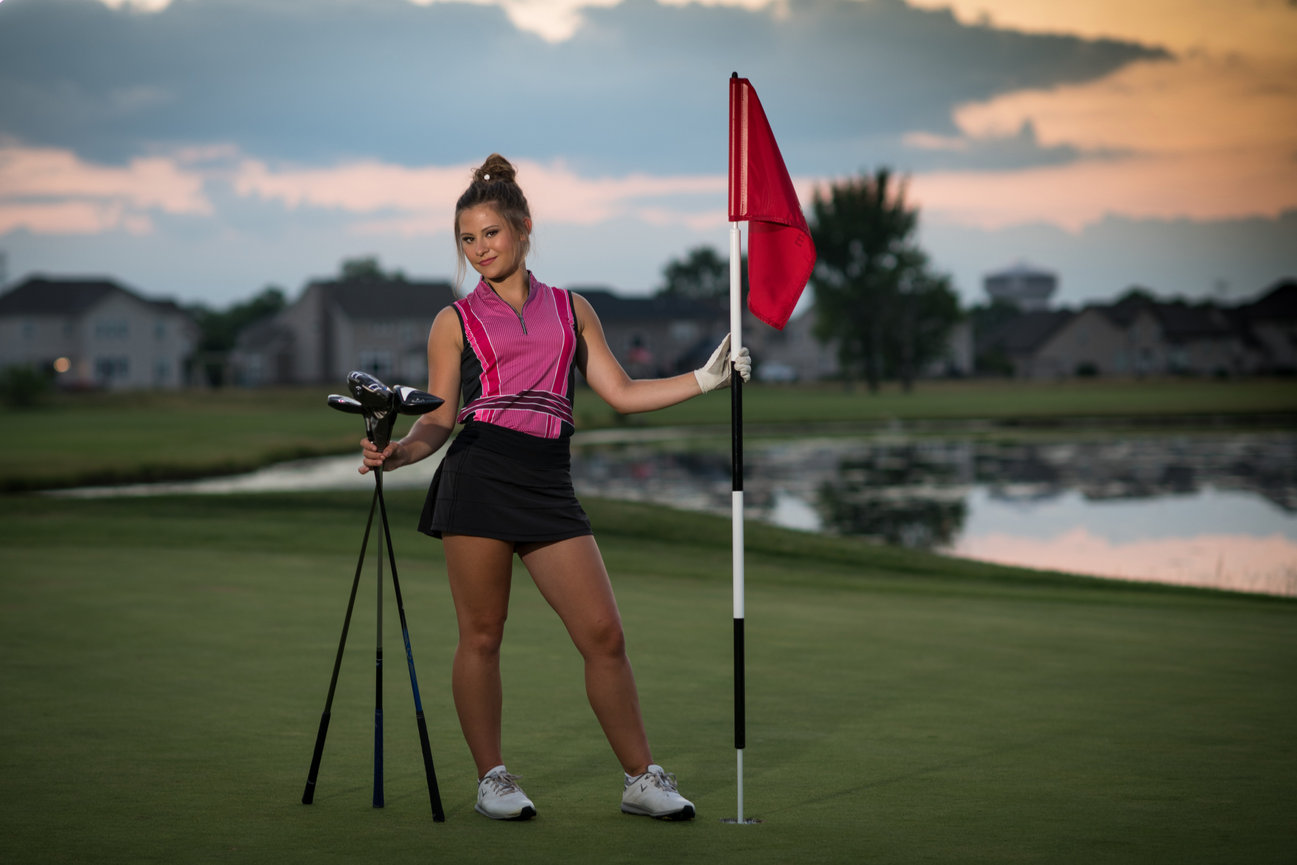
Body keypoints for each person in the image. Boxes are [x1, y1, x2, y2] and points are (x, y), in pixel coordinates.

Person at [359, 153, 750, 821]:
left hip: (548, 483)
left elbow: (621, 392)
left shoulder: (572, 310)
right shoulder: (453, 321)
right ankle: (493, 780)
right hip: (479, 476)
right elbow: (440, 417)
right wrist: (398, 454)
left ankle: (640, 779)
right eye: (466, 239)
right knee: (482, 634)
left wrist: (703, 379)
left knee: (603, 634)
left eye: (490, 233)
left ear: (523, 227)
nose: (479, 249)